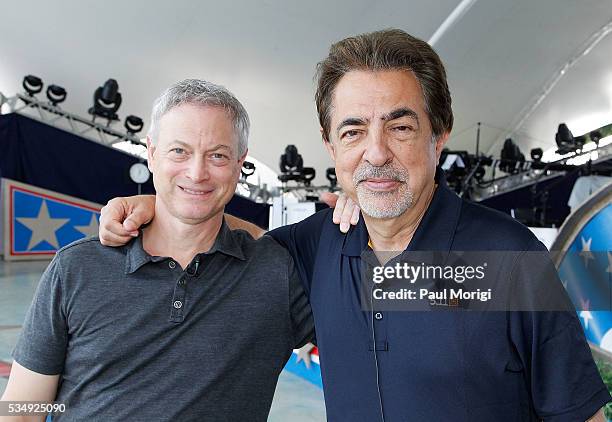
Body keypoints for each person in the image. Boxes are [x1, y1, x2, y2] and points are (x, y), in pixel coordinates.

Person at [99, 30, 609, 421]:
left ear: (440, 135)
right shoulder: (317, 246)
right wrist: (158, 209)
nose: (377, 152)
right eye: (354, 130)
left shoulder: (508, 258)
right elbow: (239, 244)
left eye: (401, 127)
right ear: (331, 144)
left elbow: (579, 413)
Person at [0, 79, 314, 421]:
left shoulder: (278, 275)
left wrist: (377, 228)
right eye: (179, 151)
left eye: (218, 155)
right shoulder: (76, 267)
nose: (197, 173)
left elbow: (377, 319)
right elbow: (21, 408)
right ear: (150, 153)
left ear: (240, 163)